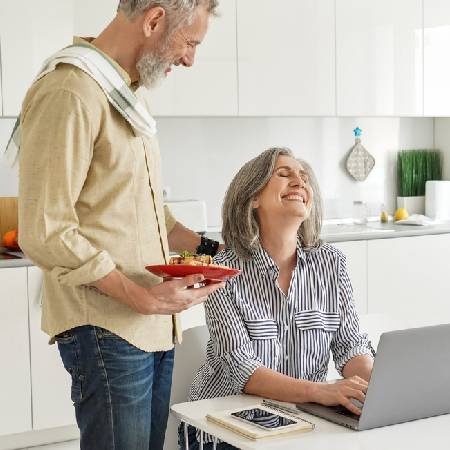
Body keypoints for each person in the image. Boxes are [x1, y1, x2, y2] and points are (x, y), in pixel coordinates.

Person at [17, 1, 222, 449]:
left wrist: (216, 249)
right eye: (189, 43)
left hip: (155, 323)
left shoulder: (125, 96)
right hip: (109, 326)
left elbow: (150, 215)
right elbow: (45, 229)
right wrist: (142, 297)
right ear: (153, 20)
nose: (190, 59)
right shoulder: (71, 90)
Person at [179, 148, 375, 450]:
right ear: (253, 197)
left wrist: (379, 385)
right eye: (283, 174)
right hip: (222, 427)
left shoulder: (332, 264)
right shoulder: (223, 273)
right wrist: (321, 392)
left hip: (299, 422)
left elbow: (349, 346)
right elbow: (244, 371)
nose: (299, 181)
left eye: (304, 178)